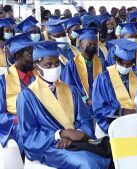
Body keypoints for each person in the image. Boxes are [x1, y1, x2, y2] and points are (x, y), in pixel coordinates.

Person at [17, 41, 111, 169]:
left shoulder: (71, 90)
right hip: (50, 147)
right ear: (36, 66)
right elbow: (29, 136)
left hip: (77, 142)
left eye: (56, 64)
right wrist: (61, 134)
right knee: (89, 163)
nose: (54, 68)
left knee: (111, 155)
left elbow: (85, 120)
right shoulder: (27, 97)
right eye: (48, 65)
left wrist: (76, 134)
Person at [93, 38, 137, 133]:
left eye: (129, 64)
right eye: (122, 63)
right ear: (115, 59)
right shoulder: (103, 78)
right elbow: (99, 108)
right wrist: (122, 112)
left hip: (136, 123)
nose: (125, 67)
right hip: (113, 125)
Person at [0, 32, 34, 150]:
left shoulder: (39, 77)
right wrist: (16, 119)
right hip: (16, 125)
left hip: (41, 122)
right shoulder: (3, 82)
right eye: (30, 54)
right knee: (24, 130)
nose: (34, 58)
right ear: (19, 55)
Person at [63, 28, 106, 109]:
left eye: (95, 44)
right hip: (81, 106)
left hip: (102, 106)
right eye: (89, 44)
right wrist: (86, 100)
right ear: (80, 44)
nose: (92, 46)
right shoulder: (71, 65)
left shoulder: (103, 63)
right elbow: (69, 87)